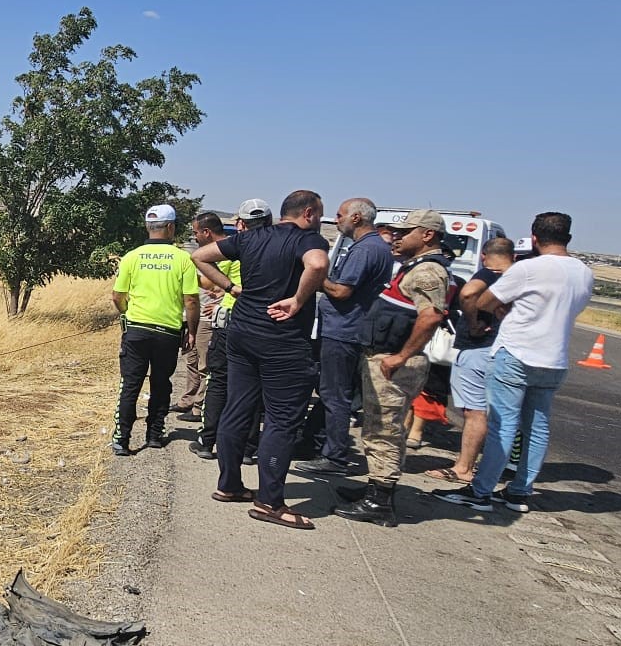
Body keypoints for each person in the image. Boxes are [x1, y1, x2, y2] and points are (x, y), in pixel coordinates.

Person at [435, 213, 595, 513]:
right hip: (554, 358)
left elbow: (483, 301)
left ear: (534, 238)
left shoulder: (529, 268)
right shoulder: (583, 272)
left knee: (502, 425)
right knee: (537, 426)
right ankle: (520, 491)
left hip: (517, 352)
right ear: (568, 238)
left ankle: (481, 490)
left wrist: (503, 309)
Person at [192, 190, 329, 530]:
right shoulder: (307, 240)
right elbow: (318, 265)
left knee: (238, 407)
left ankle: (229, 484)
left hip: (242, 331)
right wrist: (298, 300)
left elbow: (200, 256)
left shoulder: (250, 238)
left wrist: (230, 288)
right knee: (282, 419)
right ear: (309, 213)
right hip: (281, 339)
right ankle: (269, 502)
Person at [333, 210, 456, 524]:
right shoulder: (415, 267)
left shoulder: (428, 271)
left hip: (394, 361)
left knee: (384, 431)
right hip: (386, 356)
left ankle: (380, 502)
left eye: (407, 231)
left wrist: (400, 357)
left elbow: (430, 316)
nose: (399, 237)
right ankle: (375, 488)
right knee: (377, 427)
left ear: (427, 234)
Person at [298, 198, 394, 476]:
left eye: (340, 216)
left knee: (334, 394)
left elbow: (342, 291)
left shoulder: (365, 250)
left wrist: (316, 276)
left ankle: (335, 456)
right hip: (347, 328)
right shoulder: (373, 247)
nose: (336, 220)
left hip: (344, 330)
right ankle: (314, 443)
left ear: (356, 218)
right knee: (332, 391)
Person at [109, 204, 201, 455]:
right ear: (171, 227)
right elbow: (191, 301)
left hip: (136, 330)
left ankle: (122, 439)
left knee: (130, 385)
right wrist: (191, 331)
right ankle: (154, 434)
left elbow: (117, 296)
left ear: (148, 227)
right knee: (161, 384)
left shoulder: (132, 256)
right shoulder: (183, 259)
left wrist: (128, 313)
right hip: (167, 333)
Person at [425, 236, 516, 485]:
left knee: (474, 413)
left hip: (478, 349)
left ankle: (464, 467)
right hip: (506, 351)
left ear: (485, 256)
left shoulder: (488, 274)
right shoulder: (519, 277)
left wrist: (474, 323)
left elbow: (468, 293)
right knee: (502, 415)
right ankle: (495, 468)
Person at [192, 203, 264, 462]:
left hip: (230, 318)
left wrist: (228, 289)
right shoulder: (271, 248)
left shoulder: (232, 248)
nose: (196, 238)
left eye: (197, 233)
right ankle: (248, 446)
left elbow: (209, 277)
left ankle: (207, 439)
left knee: (218, 380)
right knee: (253, 384)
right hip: (257, 320)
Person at [178, 213, 228, 424]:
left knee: (205, 363)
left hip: (211, 317)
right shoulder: (204, 252)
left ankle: (201, 407)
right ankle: (188, 400)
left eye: (196, 232)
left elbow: (231, 284)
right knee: (191, 359)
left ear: (206, 232)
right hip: (195, 314)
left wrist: (222, 299)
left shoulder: (228, 252)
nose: (194, 237)